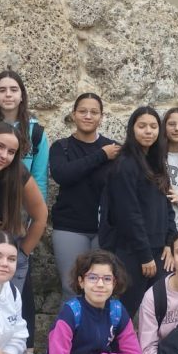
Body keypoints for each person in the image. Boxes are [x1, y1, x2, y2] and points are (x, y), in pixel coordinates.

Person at [0, 122, 47, 354]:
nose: (3, 155)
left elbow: (41, 215)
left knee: (9, 313)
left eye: (11, 151)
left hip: (10, 255)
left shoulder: (18, 174)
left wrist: (24, 251)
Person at [99, 107, 175, 315]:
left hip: (159, 250)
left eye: (153, 126)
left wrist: (170, 241)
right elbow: (128, 213)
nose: (148, 131)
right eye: (142, 126)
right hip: (134, 252)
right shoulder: (125, 164)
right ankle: (114, 348)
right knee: (126, 311)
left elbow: (167, 204)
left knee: (156, 313)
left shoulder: (156, 162)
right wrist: (145, 256)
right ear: (132, 130)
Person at [48, 93, 120, 299]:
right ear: (74, 114)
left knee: (103, 290)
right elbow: (63, 175)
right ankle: (68, 332)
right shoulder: (62, 147)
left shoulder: (113, 148)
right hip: (70, 228)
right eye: (83, 111)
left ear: (101, 117)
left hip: (104, 230)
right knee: (72, 288)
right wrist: (101, 155)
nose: (88, 116)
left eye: (94, 112)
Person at [0, 69, 49, 200]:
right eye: (2, 90)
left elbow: (39, 178)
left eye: (14, 89)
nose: (8, 94)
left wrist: (38, 212)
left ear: (22, 95)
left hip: (20, 204)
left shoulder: (36, 133)